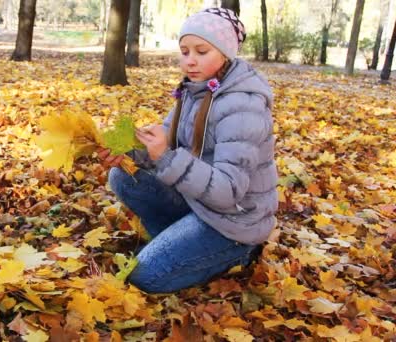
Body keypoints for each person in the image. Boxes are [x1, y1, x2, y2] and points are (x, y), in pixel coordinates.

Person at [99, 8, 278, 293]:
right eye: (184, 51)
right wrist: (127, 151)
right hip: (198, 202)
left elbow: (229, 191)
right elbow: (165, 141)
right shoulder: (193, 90)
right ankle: (178, 242)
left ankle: (241, 254)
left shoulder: (243, 107)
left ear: (225, 53)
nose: (190, 61)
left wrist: (166, 157)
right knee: (121, 175)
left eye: (201, 51)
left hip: (232, 223)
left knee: (143, 276)